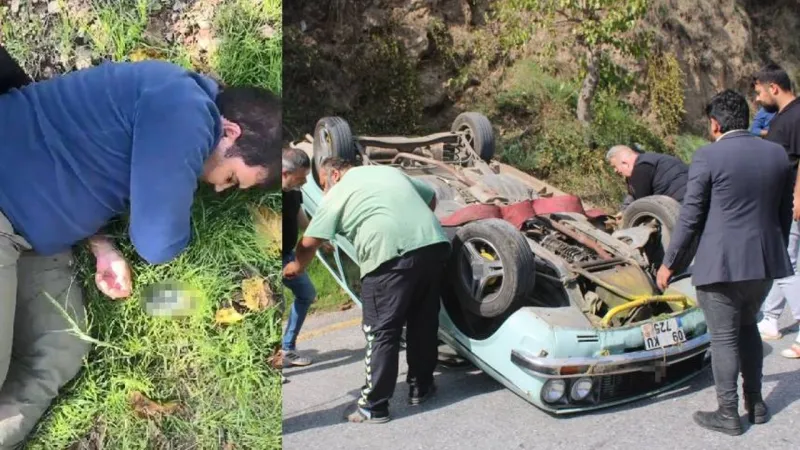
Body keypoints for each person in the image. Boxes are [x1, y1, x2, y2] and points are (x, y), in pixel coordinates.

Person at [0, 59, 281, 446]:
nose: (219, 189)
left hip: (32, 240)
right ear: (230, 132)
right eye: (233, 178)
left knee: (61, 347)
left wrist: (102, 246)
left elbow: (82, 171)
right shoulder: (186, 108)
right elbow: (157, 242)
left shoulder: (167, 112)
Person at [656, 89, 793, 436]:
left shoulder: (707, 157)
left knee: (724, 339)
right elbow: (784, 213)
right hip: (763, 263)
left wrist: (669, 263)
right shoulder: (776, 154)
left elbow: (690, 217)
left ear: (715, 124)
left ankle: (728, 413)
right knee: (747, 327)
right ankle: (757, 404)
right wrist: (775, 248)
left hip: (721, 265)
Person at [283, 157, 450, 424]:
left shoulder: (340, 190)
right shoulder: (387, 171)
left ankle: (374, 405)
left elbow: (309, 242)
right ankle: (421, 386)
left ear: (334, 174)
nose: (325, 191)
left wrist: (296, 267)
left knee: (381, 331)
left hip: (388, 256)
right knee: (423, 321)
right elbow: (429, 199)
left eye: (324, 184)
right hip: (433, 245)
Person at [751, 63, 800, 359]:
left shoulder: (796, 116)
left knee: (785, 263)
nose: (757, 99)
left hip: (791, 202)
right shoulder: (783, 116)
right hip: (784, 200)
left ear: (774, 88)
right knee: (787, 260)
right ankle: (770, 319)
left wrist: (798, 197)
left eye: (758, 92)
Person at [280, 147, 318, 367]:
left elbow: (299, 216)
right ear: (285, 173)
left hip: (288, 255)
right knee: (273, 306)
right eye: (301, 178)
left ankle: (287, 348)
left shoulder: (294, 192)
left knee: (306, 294)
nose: (303, 183)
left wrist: (318, 237)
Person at [606, 145, 689, 211]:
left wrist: (625, 216)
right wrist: (623, 212)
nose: (615, 171)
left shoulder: (641, 168)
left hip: (683, 204)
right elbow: (632, 196)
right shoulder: (651, 160)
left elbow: (641, 205)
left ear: (625, 163)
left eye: (615, 166)